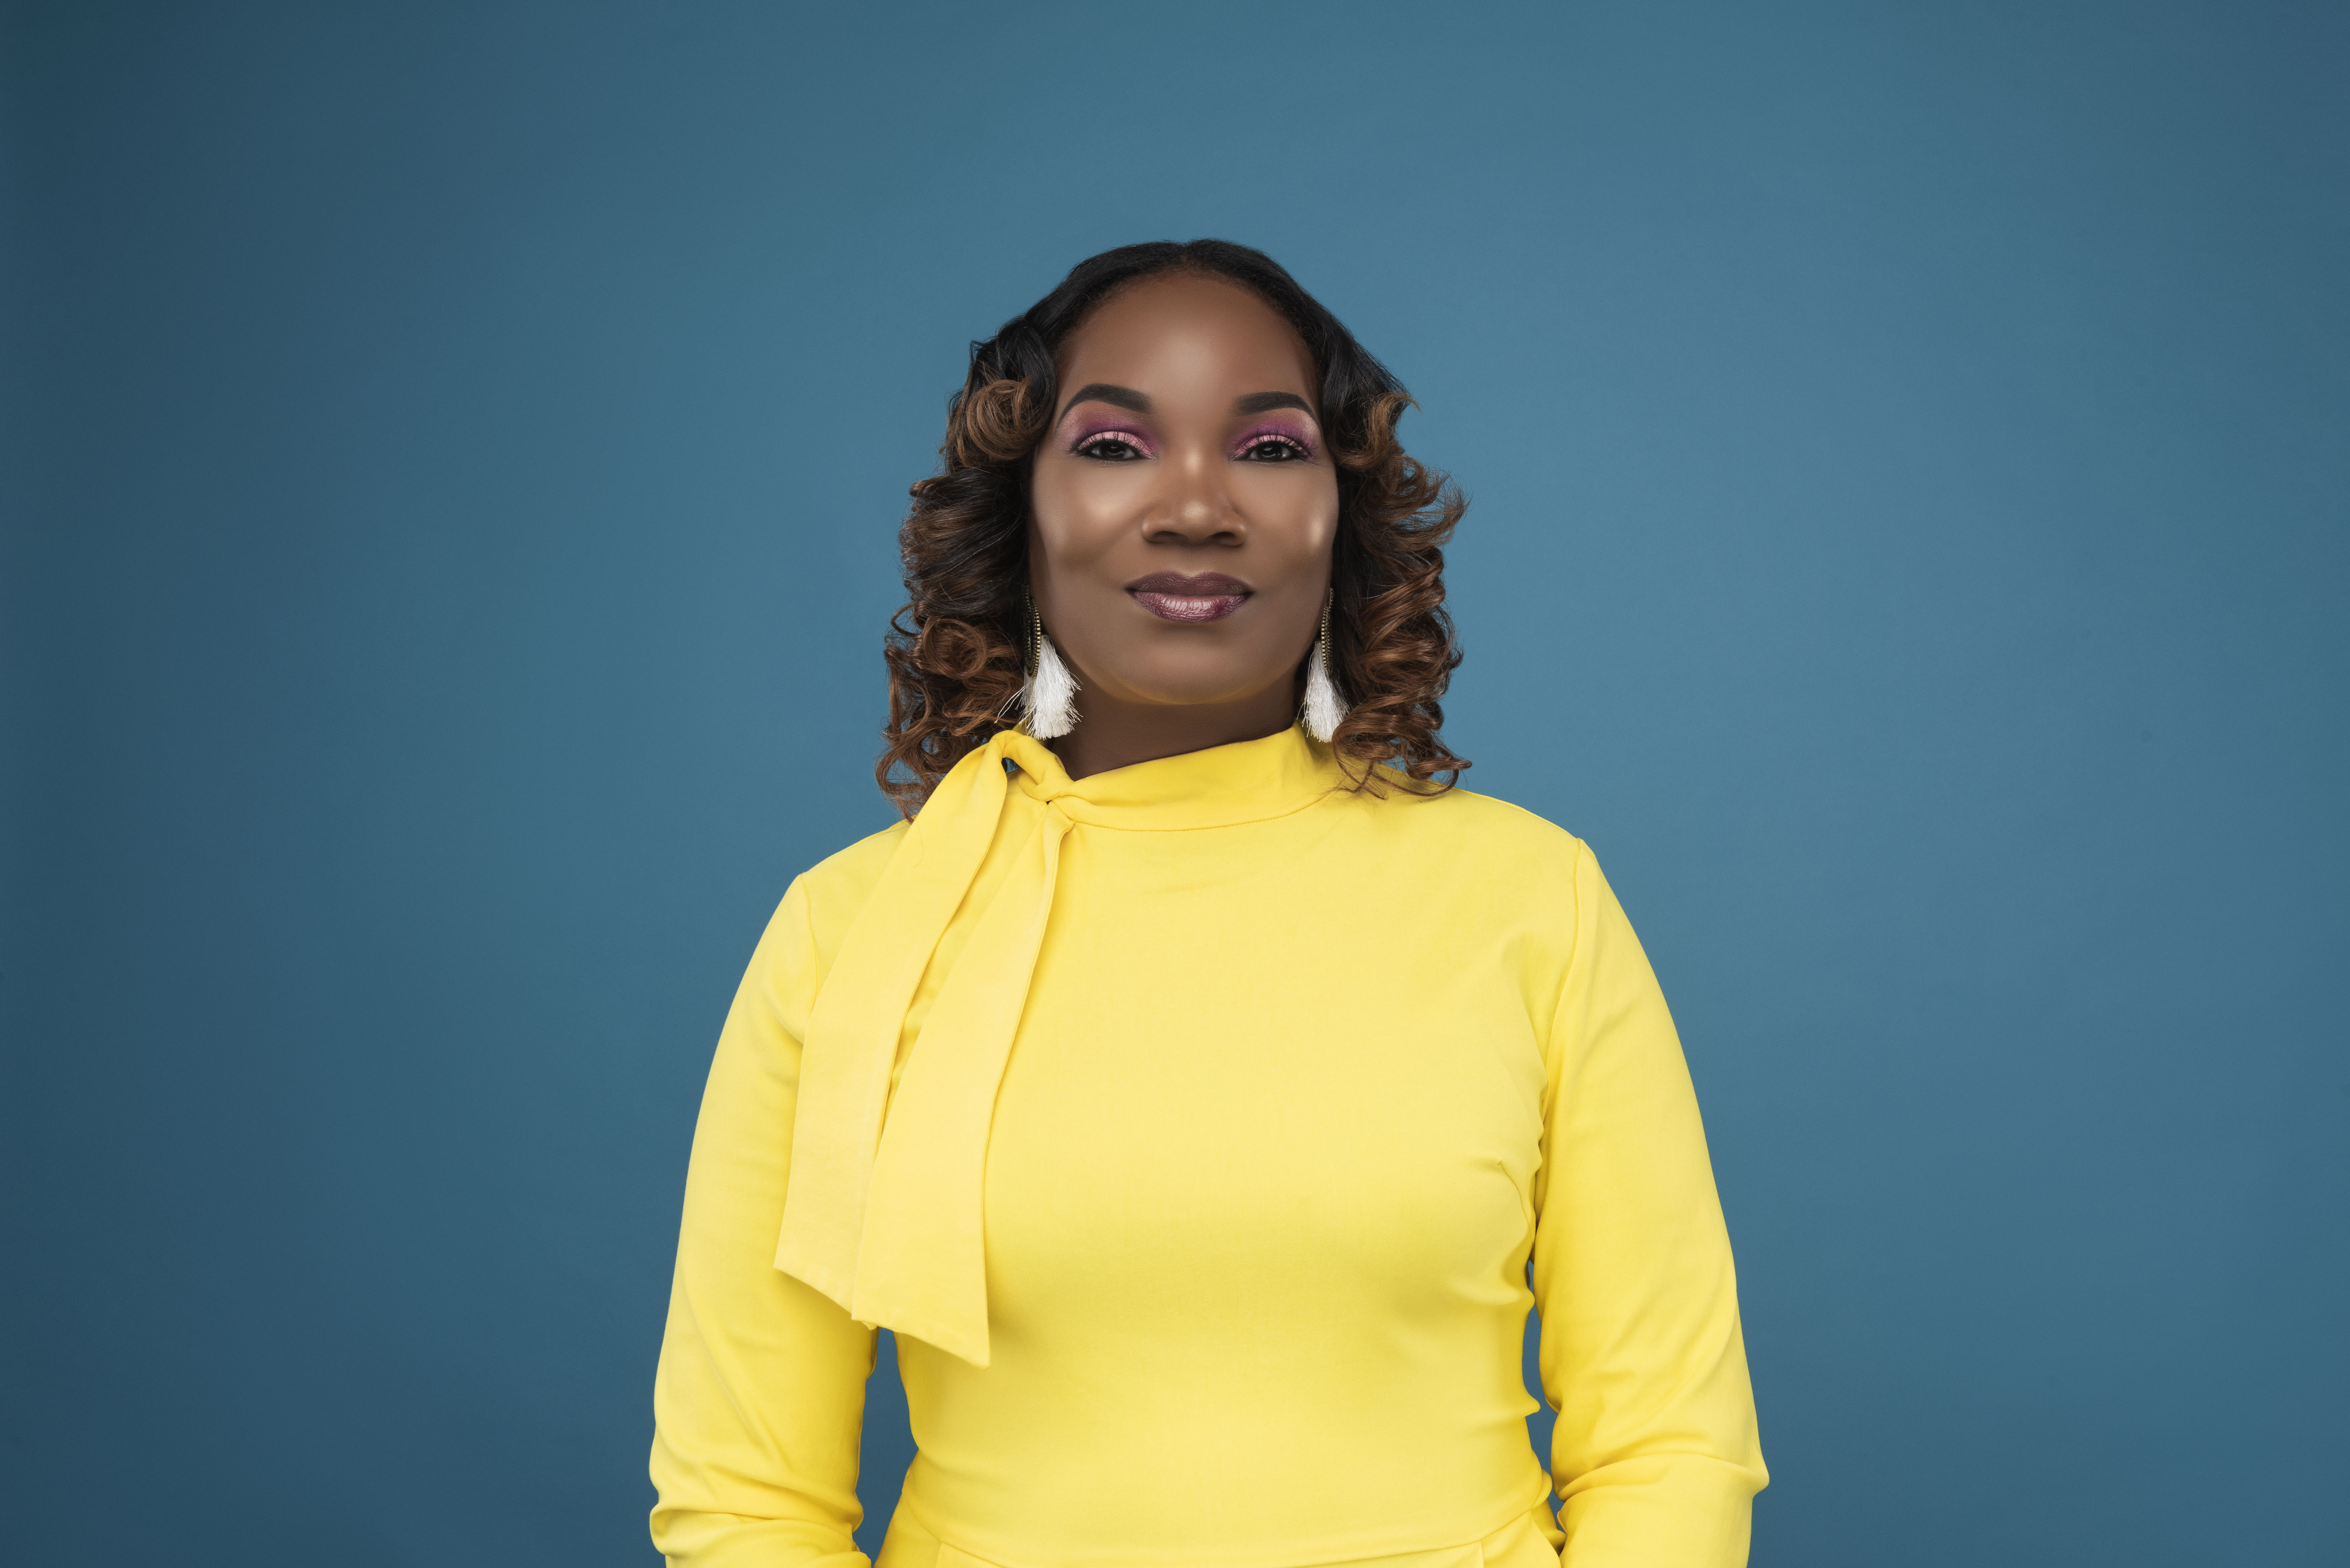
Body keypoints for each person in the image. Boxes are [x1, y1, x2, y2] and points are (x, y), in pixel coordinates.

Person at [648, 240, 1767, 1568]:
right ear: (1020, 508)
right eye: (1114, 446)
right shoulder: (849, 933)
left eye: (1270, 448)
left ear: (1343, 516)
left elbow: (1668, 1445)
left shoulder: (1534, 899)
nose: (1194, 506)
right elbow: (747, 1497)